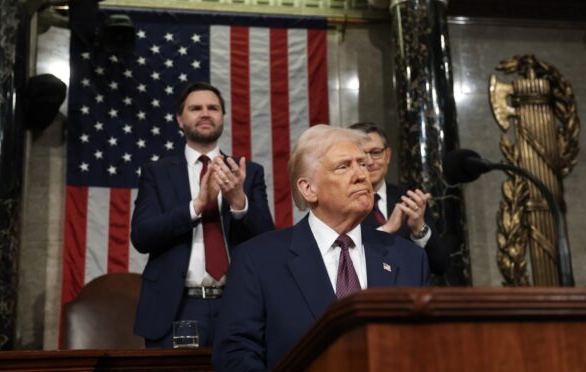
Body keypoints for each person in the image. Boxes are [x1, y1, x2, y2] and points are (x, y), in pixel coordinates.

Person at [212, 125, 428, 371]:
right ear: (309, 189)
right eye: (344, 166)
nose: (361, 175)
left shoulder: (409, 257)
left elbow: (426, 349)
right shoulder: (258, 260)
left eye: (363, 165)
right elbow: (235, 354)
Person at [131, 82, 274, 348]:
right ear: (180, 119)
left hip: (238, 302)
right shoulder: (157, 172)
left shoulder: (247, 172)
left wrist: (238, 202)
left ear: (222, 117)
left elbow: (268, 239)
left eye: (213, 108)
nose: (205, 113)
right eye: (196, 108)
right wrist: (196, 206)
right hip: (177, 306)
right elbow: (142, 236)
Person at [349, 122, 450, 276]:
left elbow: (441, 266)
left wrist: (419, 230)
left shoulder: (409, 198)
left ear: (388, 155)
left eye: (376, 152)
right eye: (362, 156)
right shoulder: (340, 205)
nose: (370, 162)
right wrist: (387, 230)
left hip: (412, 296)